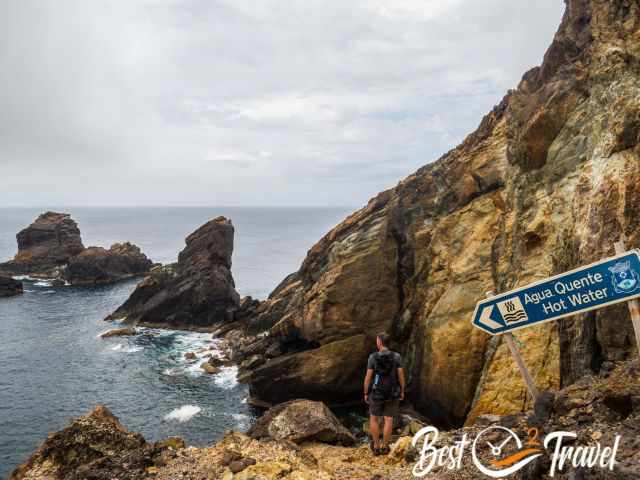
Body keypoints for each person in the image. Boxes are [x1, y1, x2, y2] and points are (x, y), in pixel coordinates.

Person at [363, 333, 405, 455]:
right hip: (392, 392)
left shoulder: (373, 357)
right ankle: (385, 447)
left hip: (377, 392)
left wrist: (366, 392)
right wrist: (402, 390)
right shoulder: (397, 356)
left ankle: (376, 447)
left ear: (380, 342)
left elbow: (368, 378)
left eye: (377, 340)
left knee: (374, 419)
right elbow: (401, 376)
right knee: (388, 419)